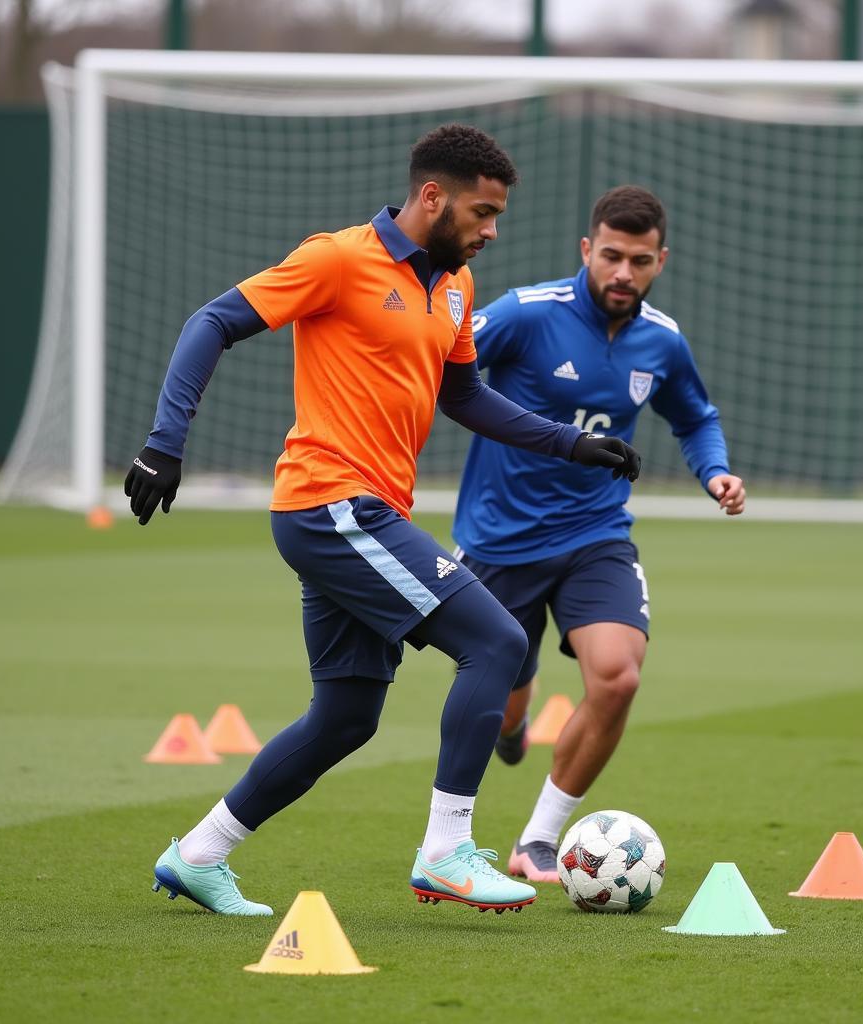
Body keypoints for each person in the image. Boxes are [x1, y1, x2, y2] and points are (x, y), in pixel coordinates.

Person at [125, 125, 642, 917]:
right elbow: (212, 322)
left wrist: (570, 443)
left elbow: (464, 395)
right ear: (432, 196)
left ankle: (199, 854)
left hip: (361, 513)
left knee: (346, 716)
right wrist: (165, 444)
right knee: (499, 642)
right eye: (482, 211)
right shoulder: (337, 258)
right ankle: (447, 851)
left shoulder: (457, 288)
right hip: (331, 503)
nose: (491, 230)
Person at [451, 185, 745, 883]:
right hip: (499, 541)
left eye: (639, 261)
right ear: (587, 250)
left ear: (660, 261)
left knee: (617, 678)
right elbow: (442, 361)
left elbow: (694, 416)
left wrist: (716, 472)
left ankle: (539, 839)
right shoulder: (526, 315)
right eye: (611, 256)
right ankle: (512, 722)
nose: (623, 273)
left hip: (597, 534)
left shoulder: (661, 341)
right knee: (501, 705)